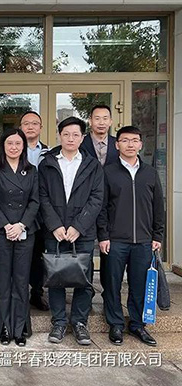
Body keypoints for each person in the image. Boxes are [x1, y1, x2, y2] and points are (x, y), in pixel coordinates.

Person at [38, 116, 104, 346]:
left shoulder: (92, 165)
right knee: (55, 276)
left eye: (76, 135)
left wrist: (78, 226)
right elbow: (42, 196)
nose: (70, 138)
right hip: (54, 231)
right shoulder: (47, 163)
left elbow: (97, 198)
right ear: (59, 136)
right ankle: (58, 322)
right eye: (66, 134)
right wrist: (55, 225)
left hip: (82, 232)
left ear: (82, 138)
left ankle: (79, 322)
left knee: (84, 278)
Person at [98, 126, 164, 347]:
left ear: (140, 144)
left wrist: (157, 236)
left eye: (134, 140)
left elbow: (158, 207)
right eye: (125, 140)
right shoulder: (108, 172)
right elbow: (102, 207)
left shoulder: (150, 173)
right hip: (115, 240)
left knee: (139, 285)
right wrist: (103, 235)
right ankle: (115, 324)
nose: (130, 144)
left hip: (144, 241)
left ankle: (137, 324)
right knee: (112, 284)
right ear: (117, 145)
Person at [0, 129, 39, 347]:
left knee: (21, 280)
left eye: (18, 143)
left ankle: (20, 327)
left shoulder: (32, 170)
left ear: (23, 146)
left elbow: (35, 201)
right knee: (2, 280)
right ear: (3, 146)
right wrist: (7, 225)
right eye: (10, 143)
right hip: (1, 230)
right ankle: (3, 327)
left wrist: (21, 225)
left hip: (25, 230)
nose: (14, 147)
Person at [80, 104, 119, 293]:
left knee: (109, 253)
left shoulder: (119, 144)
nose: (101, 122)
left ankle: (108, 294)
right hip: (85, 205)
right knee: (84, 253)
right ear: (90, 121)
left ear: (111, 121)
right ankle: (85, 293)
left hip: (112, 208)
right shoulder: (81, 143)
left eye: (105, 118)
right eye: (97, 118)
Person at [19, 110, 50, 311]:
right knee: (21, 255)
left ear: (41, 127)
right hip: (18, 212)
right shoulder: (13, 149)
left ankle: (37, 293)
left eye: (34, 123)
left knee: (38, 255)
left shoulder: (50, 153)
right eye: (26, 123)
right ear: (20, 127)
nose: (30, 127)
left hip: (42, 213)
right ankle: (18, 293)